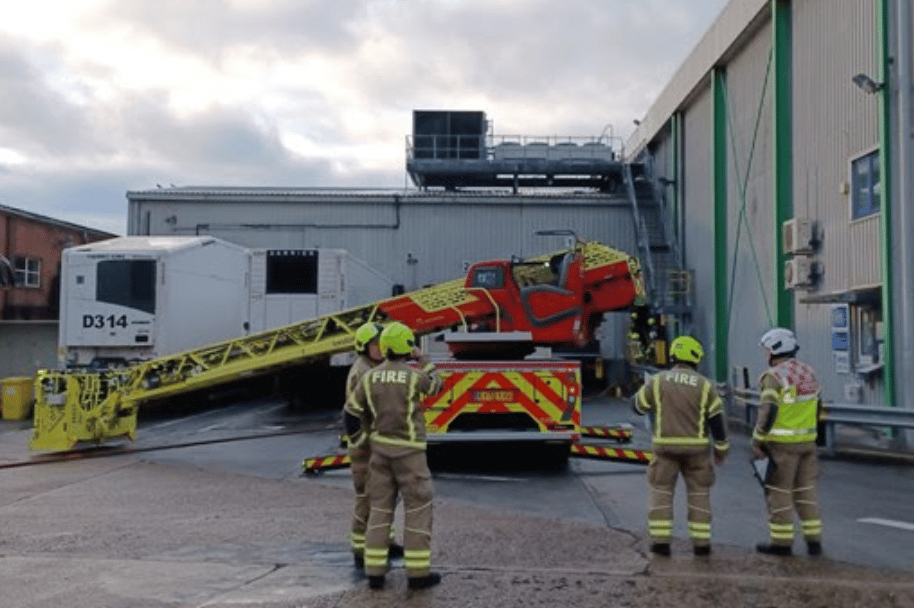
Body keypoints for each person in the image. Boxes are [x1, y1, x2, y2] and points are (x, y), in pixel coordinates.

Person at [345, 321, 444, 591]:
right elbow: (437, 386)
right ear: (406, 347)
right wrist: (425, 362)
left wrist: (361, 442)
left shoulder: (369, 376)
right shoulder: (413, 377)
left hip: (379, 452)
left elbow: (350, 414)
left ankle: (375, 572)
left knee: (379, 509)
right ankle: (417, 575)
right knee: (418, 508)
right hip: (409, 453)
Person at [633, 335, 729, 556]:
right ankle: (702, 544)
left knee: (661, 492)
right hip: (697, 452)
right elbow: (717, 421)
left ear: (673, 356)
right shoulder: (705, 386)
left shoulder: (658, 381)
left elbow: (637, 406)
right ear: (696, 358)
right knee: (699, 495)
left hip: (665, 450)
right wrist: (721, 450)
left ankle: (661, 543)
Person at [753, 327, 823, 557]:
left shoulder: (774, 377)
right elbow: (815, 406)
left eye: (766, 350)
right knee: (806, 492)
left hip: (782, 445)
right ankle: (814, 542)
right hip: (807, 442)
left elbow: (769, 410)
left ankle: (781, 544)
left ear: (774, 349)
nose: (765, 355)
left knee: (779, 493)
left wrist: (759, 439)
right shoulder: (808, 373)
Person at [342, 322, 404, 569]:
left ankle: (384, 542)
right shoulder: (363, 372)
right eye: (375, 345)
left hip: (378, 442)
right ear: (363, 347)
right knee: (367, 498)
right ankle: (360, 548)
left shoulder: (374, 367)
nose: (380, 349)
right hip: (366, 446)